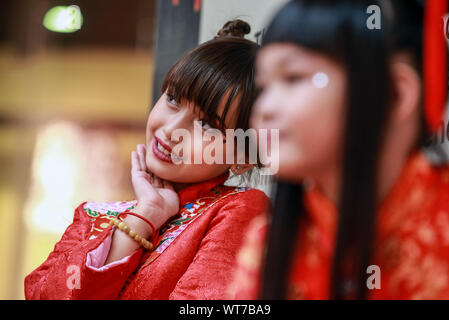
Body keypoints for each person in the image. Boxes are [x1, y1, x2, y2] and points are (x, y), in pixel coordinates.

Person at [25, 19, 269, 300]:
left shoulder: (241, 209)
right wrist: (145, 215)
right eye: (173, 99)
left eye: (207, 125)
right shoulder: (91, 216)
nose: (171, 129)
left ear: (244, 156)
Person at [229, 0, 449, 299]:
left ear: (396, 94)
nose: (263, 109)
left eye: (293, 77)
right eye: (264, 87)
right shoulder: (271, 240)